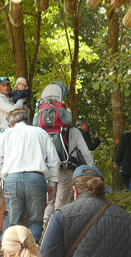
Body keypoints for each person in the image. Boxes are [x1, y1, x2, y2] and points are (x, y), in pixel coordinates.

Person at [0, 109, 60, 242]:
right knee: (35, 221)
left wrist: (2, 176)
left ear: (11, 124)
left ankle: (14, 256)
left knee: (13, 222)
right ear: (27, 121)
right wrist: (52, 183)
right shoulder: (40, 132)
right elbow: (54, 160)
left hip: (12, 179)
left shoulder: (5, 134)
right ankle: (32, 256)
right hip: (36, 179)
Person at [34, 82, 93, 224]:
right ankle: (55, 232)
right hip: (65, 169)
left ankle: (45, 226)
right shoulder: (72, 131)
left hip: (47, 170)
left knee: (50, 202)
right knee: (61, 205)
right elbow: (85, 152)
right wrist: (91, 169)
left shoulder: (40, 130)